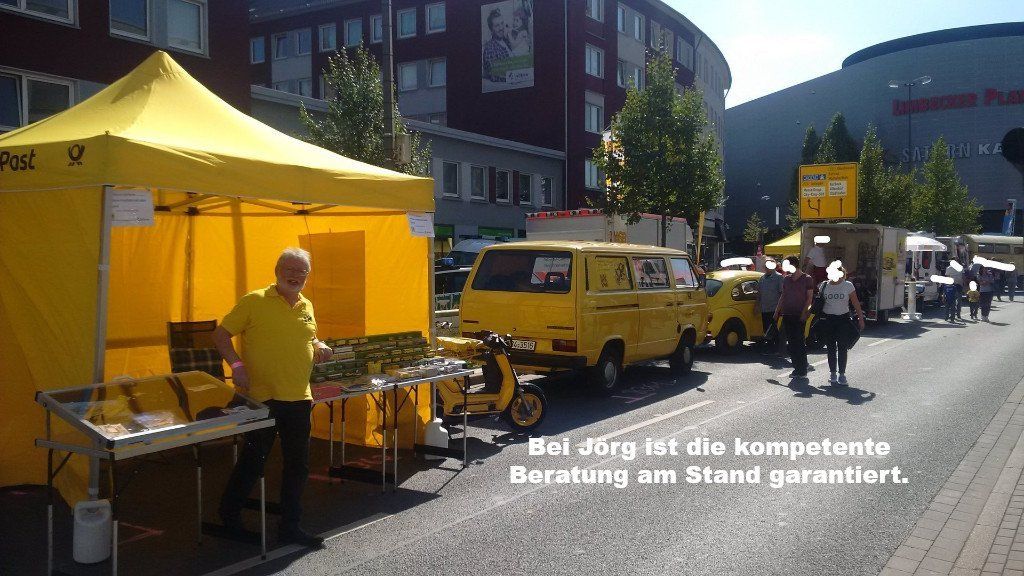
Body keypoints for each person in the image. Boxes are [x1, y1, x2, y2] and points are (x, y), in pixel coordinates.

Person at [214, 247, 333, 548]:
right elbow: (220, 335)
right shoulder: (254, 300)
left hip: (298, 397)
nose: (294, 275)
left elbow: (310, 336)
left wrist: (320, 345)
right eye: (289, 269)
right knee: (254, 460)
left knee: (298, 465)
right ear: (277, 271)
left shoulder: (306, 304)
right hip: (262, 397)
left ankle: (290, 526)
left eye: (301, 271)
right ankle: (229, 514)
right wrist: (237, 365)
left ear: (307, 275)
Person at [818, 265, 865, 386]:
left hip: (843, 319)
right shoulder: (823, 285)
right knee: (830, 348)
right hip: (828, 319)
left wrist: (860, 318)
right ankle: (833, 373)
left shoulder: (848, 285)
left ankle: (842, 374)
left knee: (843, 347)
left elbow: (855, 303)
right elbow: (818, 302)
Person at [774, 256, 815, 378]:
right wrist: (777, 310)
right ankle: (797, 368)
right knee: (791, 343)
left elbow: (809, 298)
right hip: (787, 313)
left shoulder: (807, 279)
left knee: (799, 342)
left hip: (799, 314)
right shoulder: (786, 279)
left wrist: (804, 313)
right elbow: (783, 296)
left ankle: (802, 370)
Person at [756, 260, 783, 352]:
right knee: (766, 328)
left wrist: (779, 308)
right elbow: (759, 293)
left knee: (773, 328)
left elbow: (782, 293)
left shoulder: (779, 277)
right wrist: (757, 305)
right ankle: (770, 346)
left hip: (774, 308)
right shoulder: (762, 278)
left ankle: (777, 348)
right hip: (764, 307)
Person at [482, 8, 512, 83]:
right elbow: (495, 76)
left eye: (502, 23)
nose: (501, 28)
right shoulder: (489, 49)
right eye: (497, 25)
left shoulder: (507, 40)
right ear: (491, 29)